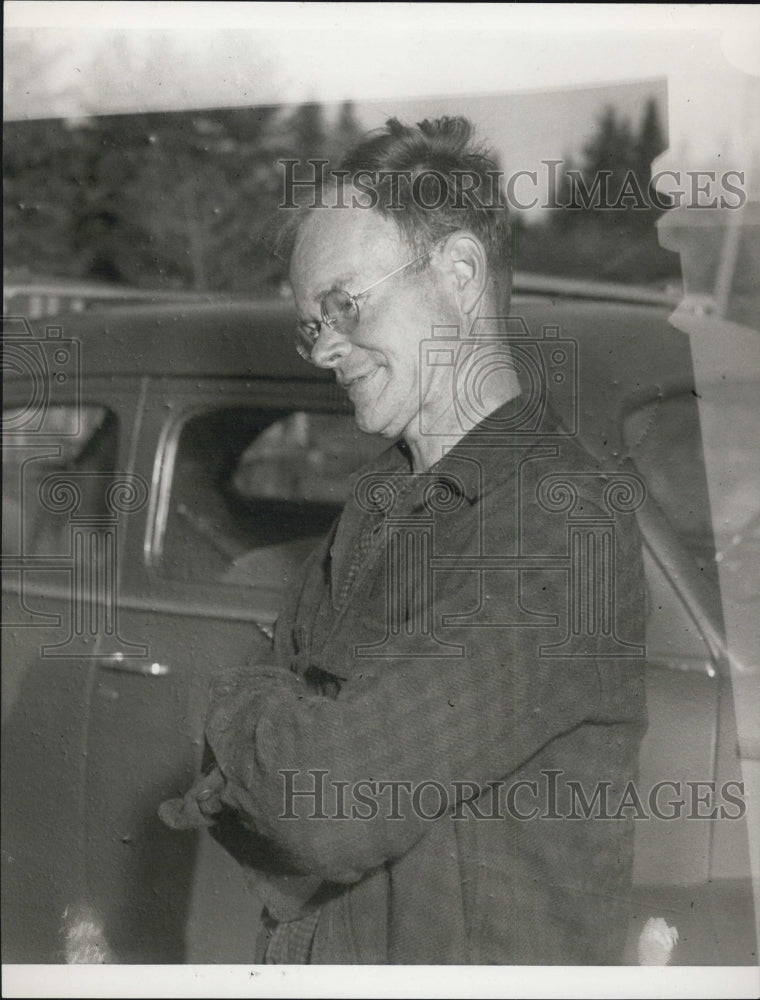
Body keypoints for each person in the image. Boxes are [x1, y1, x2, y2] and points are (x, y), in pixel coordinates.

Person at [160, 116, 647, 964]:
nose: (325, 349)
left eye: (344, 304)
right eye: (312, 323)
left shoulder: (565, 524)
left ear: (460, 273)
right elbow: (295, 807)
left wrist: (228, 702)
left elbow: (324, 804)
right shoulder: (384, 499)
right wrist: (283, 744)